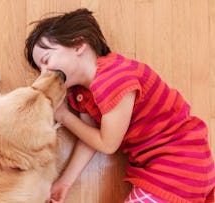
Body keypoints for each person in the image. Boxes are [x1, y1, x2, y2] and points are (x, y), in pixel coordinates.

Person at [24, 8, 215, 203]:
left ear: (78, 44)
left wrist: (64, 116)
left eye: (46, 61)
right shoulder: (82, 94)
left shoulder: (114, 78)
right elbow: (90, 137)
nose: (44, 74)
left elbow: (107, 144)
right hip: (173, 167)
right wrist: (65, 182)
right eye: (40, 70)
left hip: (178, 164)